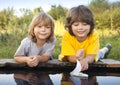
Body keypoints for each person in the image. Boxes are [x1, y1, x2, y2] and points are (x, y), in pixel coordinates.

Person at [58, 5, 112, 71]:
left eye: (85, 24)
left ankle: (106, 49)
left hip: (89, 55)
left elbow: (91, 57)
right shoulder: (67, 35)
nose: (80, 28)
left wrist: (85, 60)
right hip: (74, 56)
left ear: (90, 25)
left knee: (99, 54)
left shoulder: (94, 35)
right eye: (76, 25)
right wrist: (79, 58)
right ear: (70, 26)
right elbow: (70, 58)